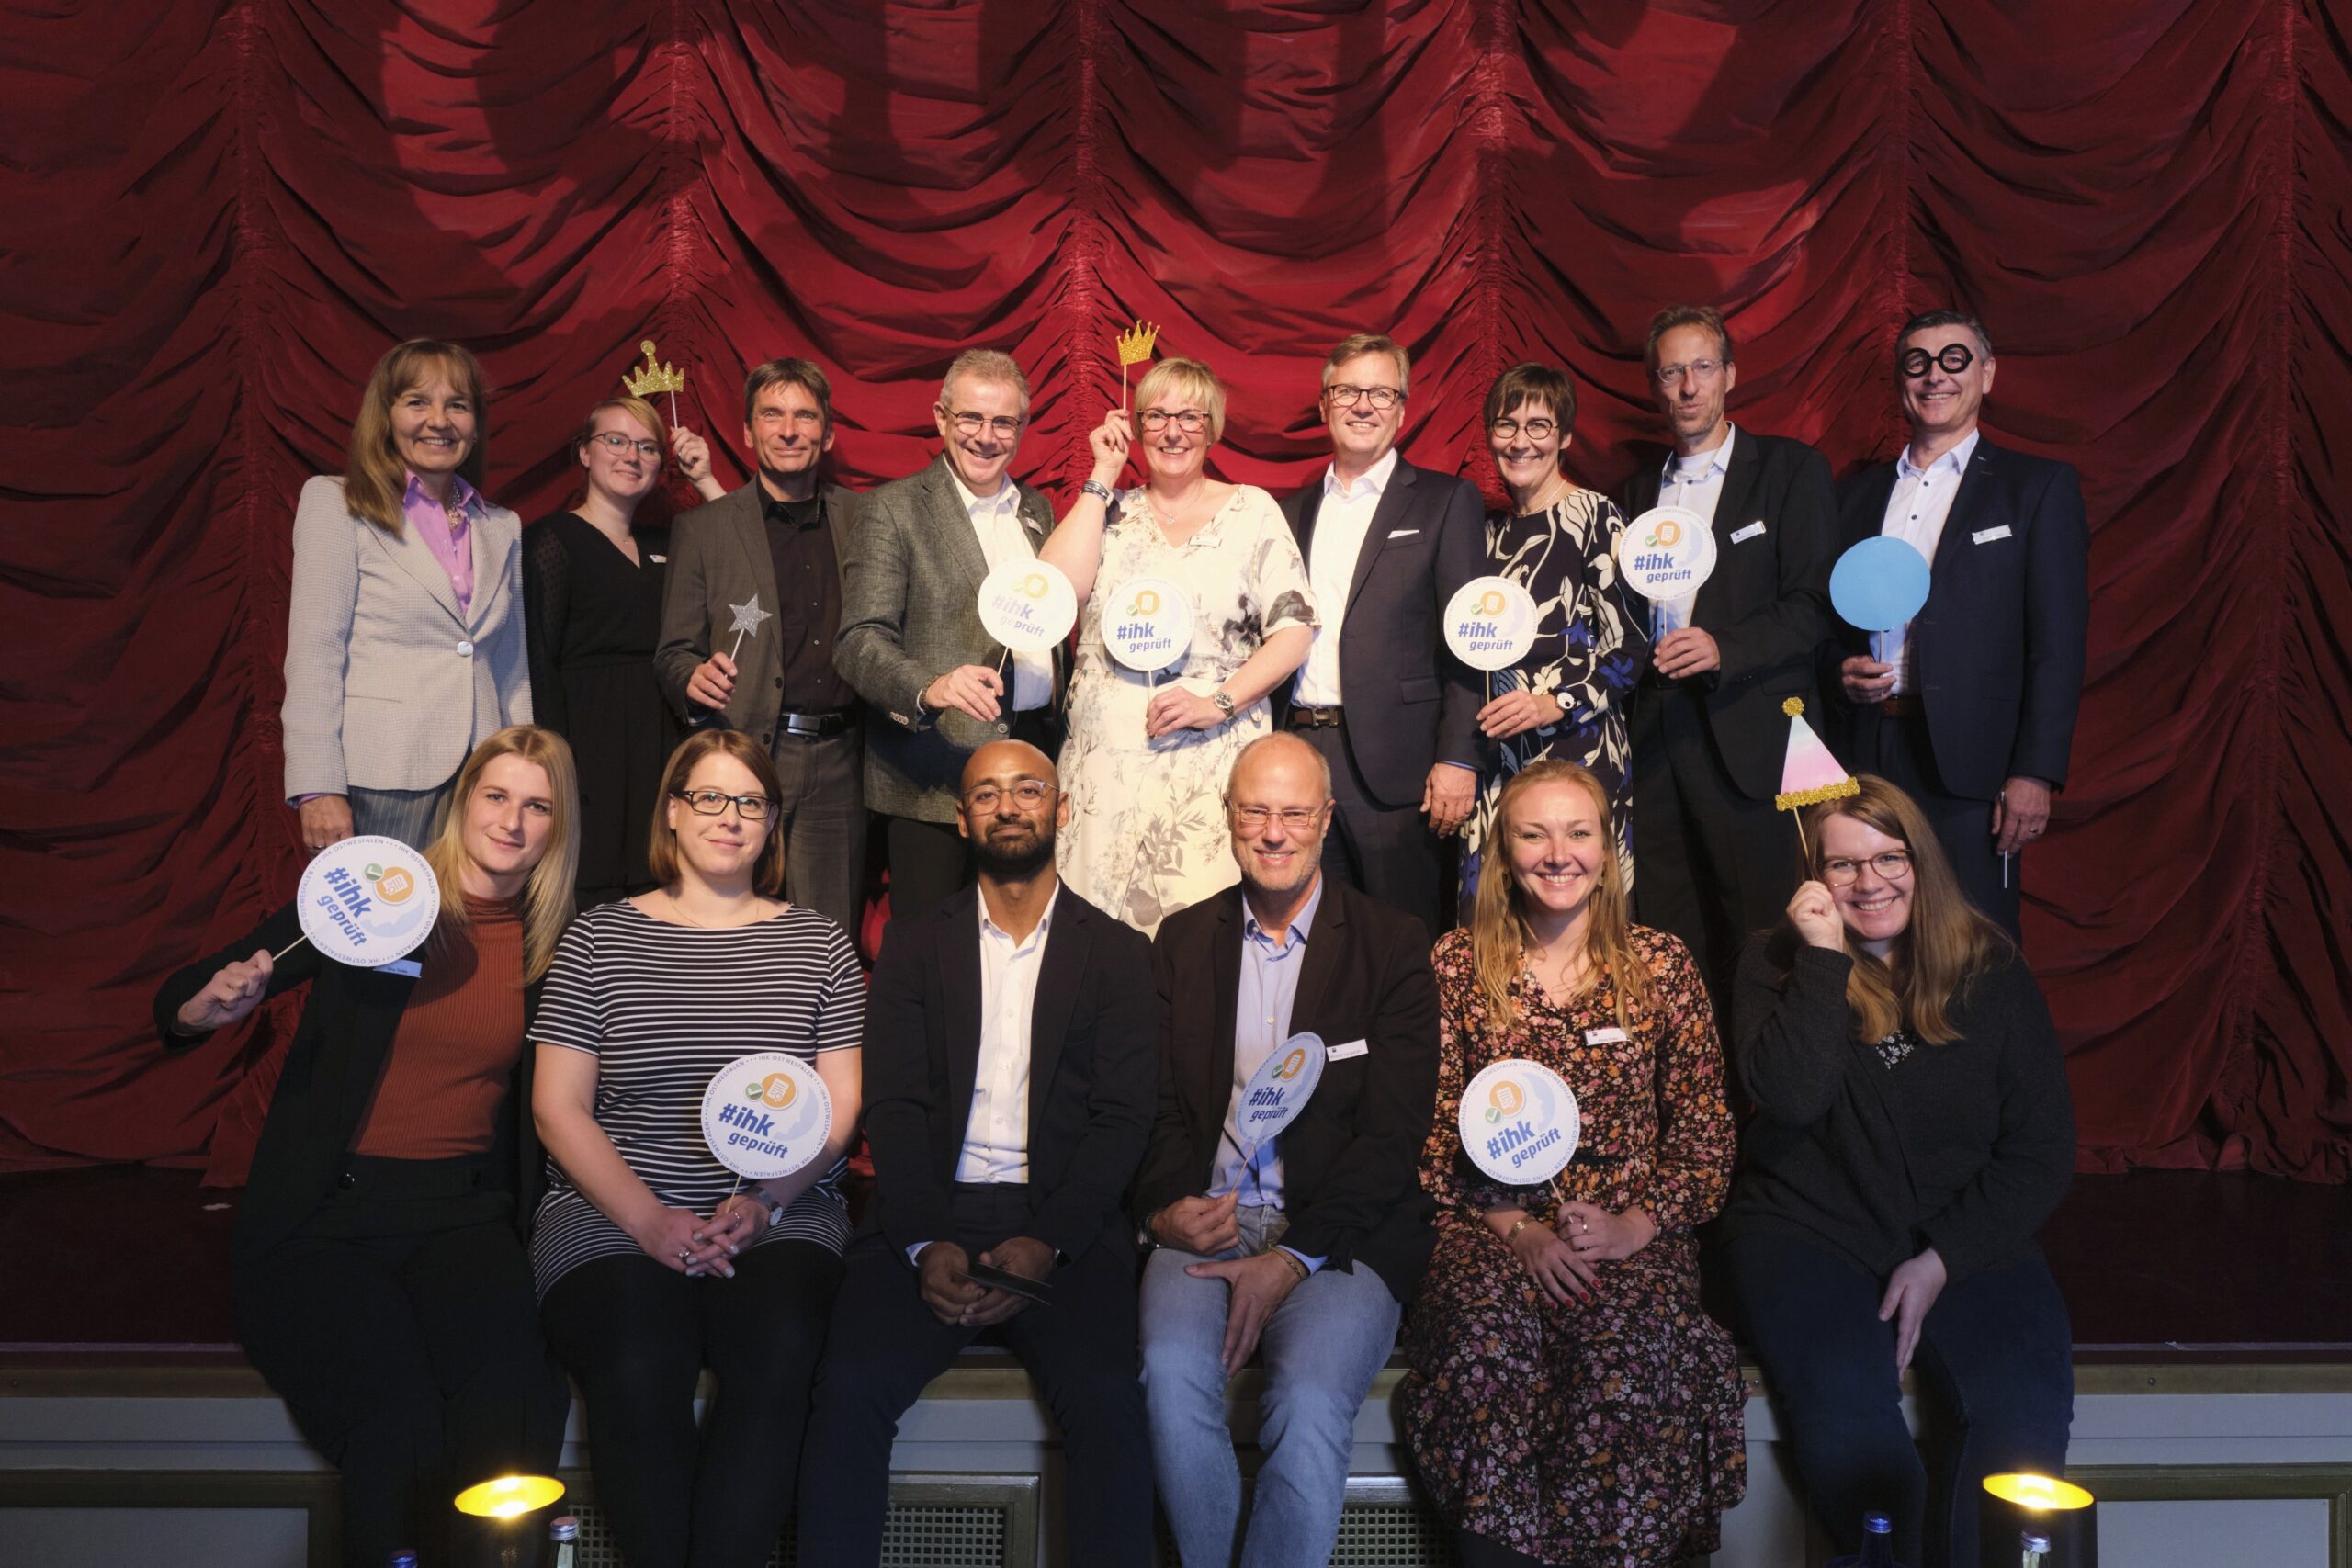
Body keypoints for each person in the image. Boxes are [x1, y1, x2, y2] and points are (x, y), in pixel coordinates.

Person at [152, 726, 580, 1567]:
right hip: (325, 1219)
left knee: (511, 1403)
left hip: (461, 1218)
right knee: (399, 1418)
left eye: (538, 805)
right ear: (463, 802)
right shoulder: (382, 895)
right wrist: (207, 1007)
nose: (512, 820)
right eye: (496, 795)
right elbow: (187, 994)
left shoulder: (555, 948)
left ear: (558, 827)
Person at [798, 740, 1157, 1564]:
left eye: (1028, 789)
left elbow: (1121, 1119)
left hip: (1063, 1219)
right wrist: (926, 1240)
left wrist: (1049, 1241)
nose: (1008, 806)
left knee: (1109, 1398)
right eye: (987, 794)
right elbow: (892, 1106)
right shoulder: (915, 945)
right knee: (847, 1389)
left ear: (1061, 807)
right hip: (929, 1210)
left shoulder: (1119, 952)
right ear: (961, 820)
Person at [1722, 773, 2075, 1568]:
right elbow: (1792, 1097)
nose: (1869, 881)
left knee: (2021, 1413)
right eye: (1843, 864)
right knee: (1858, 1434)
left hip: (1962, 1231)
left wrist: (1941, 1258)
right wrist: (1822, 960)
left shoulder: (1989, 968)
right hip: (1810, 1229)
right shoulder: (1773, 963)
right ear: (1815, 876)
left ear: (1921, 861)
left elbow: (2042, 1149)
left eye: (1889, 857)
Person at [531, 728, 865, 1568]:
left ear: (773, 822)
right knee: (638, 1362)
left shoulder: (820, 943)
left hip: (781, 1211)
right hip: (612, 1211)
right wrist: (648, 1220)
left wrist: (765, 1202)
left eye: (751, 801)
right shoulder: (597, 938)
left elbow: (839, 1109)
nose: (730, 816)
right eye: (710, 797)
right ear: (673, 813)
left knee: (782, 1352)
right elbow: (557, 1106)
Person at [1401, 759, 1746, 1567]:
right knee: (1484, 1355)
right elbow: (1427, 1131)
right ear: (1503, 852)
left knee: (1616, 1362)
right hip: (1488, 1227)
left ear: (1607, 847)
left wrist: (1635, 1225)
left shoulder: (1660, 964)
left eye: (1578, 832)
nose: (1559, 853)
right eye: (1535, 834)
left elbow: (1705, 1131)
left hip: (1631, 1233)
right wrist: (1516, 1228)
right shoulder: (1456, 965)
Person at [1132, 732, 1441, 1568]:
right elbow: (1155, 1105)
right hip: (1208, 1220)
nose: (1274, 832)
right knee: (1169, 1370)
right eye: (1256, 812)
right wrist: (1164, 1210)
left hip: (1341, 1233)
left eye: (1295, 813)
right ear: (1228, 816)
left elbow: (1394, 1131)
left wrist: (1293, 1257)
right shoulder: (1181, 939)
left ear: (1327, 819)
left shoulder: (1392, 943)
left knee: (1305, 1402)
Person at [1829, 310, 2090, 939]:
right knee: (1874, 937)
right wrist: (1840, 669)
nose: (1935, 376)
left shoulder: (2035, 487)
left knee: (1975, 944)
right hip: (1867, 752)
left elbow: (2058, 644)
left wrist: (2035, 771)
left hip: (1975, 763)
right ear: (1900, 380)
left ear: (1987, 374)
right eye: (1917, 362)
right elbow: (1824, 624)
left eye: (1954, 359)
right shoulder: (1853, 496)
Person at [1039, 356, 1318, 934]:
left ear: (1213, 427)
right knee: (1095, 940)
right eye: (1157, 416)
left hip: (1209, 765)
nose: (1173, 432)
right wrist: (1102, 475)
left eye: (1190, 417)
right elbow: (1056, 593)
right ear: (1136, 425)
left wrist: (1217, 702)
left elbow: (1294, 630)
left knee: (1198, 942)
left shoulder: (1251, 510)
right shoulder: (1111, 510)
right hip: (1104, 770)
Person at [1621, 305, 1838, 995]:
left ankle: (1768, 1067)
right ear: (1655, 385)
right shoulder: (1634, 492)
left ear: (1730, 375)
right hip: (1655, 742)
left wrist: (1724, 647)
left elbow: (1814, 605)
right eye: (1672, 372)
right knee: (1667, 940)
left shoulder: (1790, 470)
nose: (1689, 387)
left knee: (1761, 936)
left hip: (1754, 741)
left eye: (1703, 368)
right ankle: (1688, 1067)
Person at [838, 349, 1069, 921]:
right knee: (935, 952)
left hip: (1034, 768)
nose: (986, 437)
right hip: (935, 780)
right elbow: (859, 640)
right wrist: (930, 687)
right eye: (971, 418)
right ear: (941, 418)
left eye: (1003, 422)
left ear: (1023, 427)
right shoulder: (893, 509)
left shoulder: (1038, 511)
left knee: (1024, 940)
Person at [283, 339, 532, 851]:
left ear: (476, 425)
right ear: (386, 414)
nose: (439, 420)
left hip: (484, 779)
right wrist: (318, 785)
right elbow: (314, 655)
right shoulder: (336, 503)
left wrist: (523, 773)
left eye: (457, 405)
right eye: (418, 401)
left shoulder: (502, 526)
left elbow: (511, 669)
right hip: (381, 777)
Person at [1277, 332, 1486, 937]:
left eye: (1381, 393)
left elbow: (1469, 642)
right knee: (1316, 938)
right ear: (1324, 404)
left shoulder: (1445, 501)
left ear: (1401, 408)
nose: (1363, 405)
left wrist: (1457, 756)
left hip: (1401, 769)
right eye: (1348, 391)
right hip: (1299, 752)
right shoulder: (1286, 513)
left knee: (1404, 939)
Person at [654, 359, 866, 930]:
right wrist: (691, 679)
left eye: (805, 416)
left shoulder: (864, 518)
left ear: (827, 433)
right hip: (738, 754)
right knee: (725, 925)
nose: (789, 430)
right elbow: (673, 651)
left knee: (826, 934)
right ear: (748, 432)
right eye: (772, 415)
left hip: (838, 762)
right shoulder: (704, 528)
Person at [526, 394, 726, 907]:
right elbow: (539, 661)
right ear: (585, 452)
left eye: (647, 447)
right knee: (589, 888)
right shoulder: (552, 538)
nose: (631, 456)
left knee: (662, 882)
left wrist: (705, 479)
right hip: (588, 743)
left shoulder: (670, 540)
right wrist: (555, 765)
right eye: (615, 440)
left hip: (664, 739)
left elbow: (744, 554)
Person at [1460, 362, 1645, 907]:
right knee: (1493, 914)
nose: (1521, 442)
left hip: (1577, 753)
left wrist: (1554, 704)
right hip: (1496, 757)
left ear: (1564, 437)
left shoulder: (1595, 517)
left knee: (1579, 915)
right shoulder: (1483, 534)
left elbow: (1630, 649)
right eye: (1506, 425)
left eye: (1538, 426)